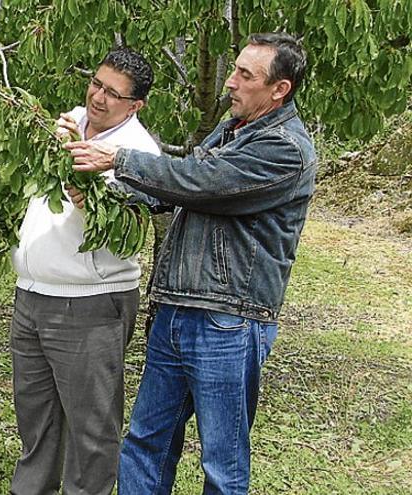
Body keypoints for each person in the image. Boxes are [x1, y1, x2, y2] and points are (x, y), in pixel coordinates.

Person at [64, 33, 315, 494]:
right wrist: (108, 195)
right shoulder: (232, 129)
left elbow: (203, 182)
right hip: (177, 309)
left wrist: (118, 159)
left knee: (221, 461)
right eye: (234, 70)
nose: (231, 84)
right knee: (145, 443)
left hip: (228, 320)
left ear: (280, 89)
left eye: (245, 75)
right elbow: (178, 191)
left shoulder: (285, 149)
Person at [9, 47, 160, 495]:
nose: (98, 97)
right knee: (35, 416)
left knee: (91, 427)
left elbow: (127, 231)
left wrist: (90, 191)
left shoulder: (137, 153)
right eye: (96, 83)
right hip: (33, 293)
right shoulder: (70, 120)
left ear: (135, 106)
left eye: (113, 94)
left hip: (89, 301)